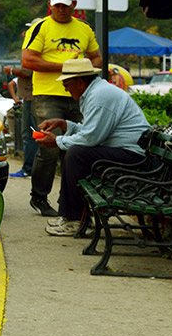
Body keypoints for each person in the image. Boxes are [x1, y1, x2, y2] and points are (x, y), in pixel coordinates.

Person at [34, 58, 150, 236]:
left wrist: (57, 141)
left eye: (67, 83)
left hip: (132, 155)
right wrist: (65, 125)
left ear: (79, 82)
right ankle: (70, 215)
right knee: (75, 153)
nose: (65, 88)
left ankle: (76, 219)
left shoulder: (99, 96)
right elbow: (92, 131)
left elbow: (90, 138)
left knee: (76, 154)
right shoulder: (95, 92)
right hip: (125, 150)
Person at [20, 0, 102, 216]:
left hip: (77, 94)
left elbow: (97, 58)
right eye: (57, 5)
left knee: (74, 148)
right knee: (50, 145)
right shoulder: (41, 27)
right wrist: (65, 67)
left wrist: (82, 71)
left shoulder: (84, 28)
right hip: (48, 94)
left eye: (65, 5)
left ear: (73, 5)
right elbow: (28, 60)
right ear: (50, 6)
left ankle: (69, 199)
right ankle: (39, 196)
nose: (61, 9)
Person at [5, 64, 36, 177]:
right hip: (29, 97)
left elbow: (27, 72)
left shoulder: (32, 56)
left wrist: (12, 70)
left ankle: (28, 169)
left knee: (29, 134)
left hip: (31, 97)